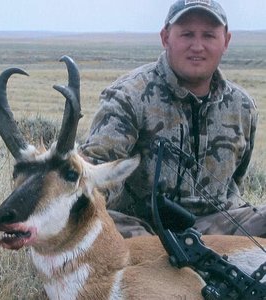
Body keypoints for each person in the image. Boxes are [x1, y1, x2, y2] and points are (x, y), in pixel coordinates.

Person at [81, 0, 266, 238]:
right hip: (142, 228)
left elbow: (236, 177)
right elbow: (94, 179)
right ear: (165, 37)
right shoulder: (128, 96)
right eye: (187, 34)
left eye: (209, 35)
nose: (197, 46)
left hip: (217, 228)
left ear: (226, 41)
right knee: (99, 223)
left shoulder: (242, 106)